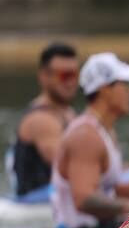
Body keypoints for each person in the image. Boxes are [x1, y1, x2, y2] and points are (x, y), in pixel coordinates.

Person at [50, 52, 129, 228]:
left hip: (102, 226)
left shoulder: (104, 130)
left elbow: (105, 187)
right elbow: (83, 199)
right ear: (105, 89)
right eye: (125, 84)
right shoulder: (85, 136)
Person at [6, 42, 79, 202]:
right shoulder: (41, 120)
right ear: (44, 76)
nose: (71, 82)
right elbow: (70, 170)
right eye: (64, 75)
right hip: (35, 203)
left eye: (74, 75)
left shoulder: (69, 113)